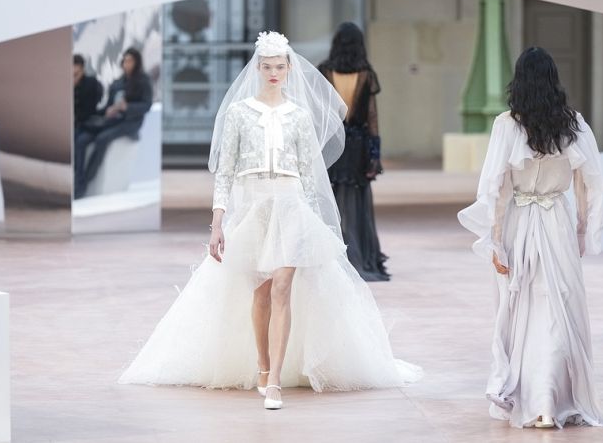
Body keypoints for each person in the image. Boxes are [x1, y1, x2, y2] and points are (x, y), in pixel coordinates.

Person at [118, 32, 421, 409]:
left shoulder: (299, 115)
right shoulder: (239, 113)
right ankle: (262, 366)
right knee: (260, 292)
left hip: (291, 205)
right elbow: (225, 172)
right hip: (254, 207)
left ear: (289, 68)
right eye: (267, 66)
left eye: (280, 66)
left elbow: (311, 177)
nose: (274, 72)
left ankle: (275, 380)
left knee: (281, 286)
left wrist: (315, 221)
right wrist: (218, 223)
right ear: (257, 68)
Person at [458, 47, 603, 429]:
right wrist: (580, 231)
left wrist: (494, 240)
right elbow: (589, 184)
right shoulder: (573, 124)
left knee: (520, 310)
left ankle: (536, 400)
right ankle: (549, 401)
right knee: (557, 309)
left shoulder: (507, 124)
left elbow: (495, 187)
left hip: (520, 223)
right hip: (556, 221)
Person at [318, 23, 389, 281]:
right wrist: (374, 155)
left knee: (329, 200)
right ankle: (361, 257)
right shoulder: (366, 75)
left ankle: (329, 258)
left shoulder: (324, 71)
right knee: (358, 204)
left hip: (331, 144)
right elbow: (372, 119)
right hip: (358, 146)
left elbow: (319, 115)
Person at [74, 47, 152, 199]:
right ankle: (78, 178)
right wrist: (105, 111)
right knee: (82, 139)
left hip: (130, 123)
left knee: (102, 138)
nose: (126, 64)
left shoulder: (143, 81)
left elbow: (146, 105)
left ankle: (85, 181)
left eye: (130, 60)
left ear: (136, 62)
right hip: (111, 120)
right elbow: (108, 106)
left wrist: (127, 107)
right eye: (125, 60)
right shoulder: (117, 83)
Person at [72, 54, 103, 131]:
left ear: (82, 70)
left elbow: (90, 108)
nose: (73, 78)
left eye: (76, 74)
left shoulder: (92, 83)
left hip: (88, 123)